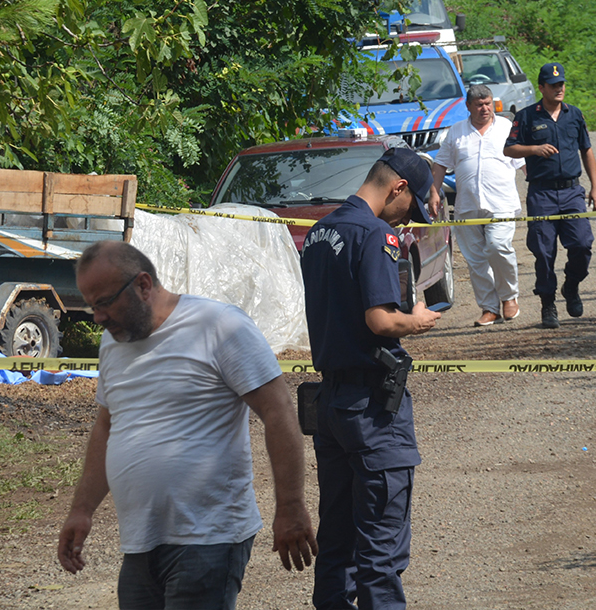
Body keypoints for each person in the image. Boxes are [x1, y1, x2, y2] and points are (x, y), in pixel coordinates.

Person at [58, 241, 317, 608]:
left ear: (143, 285)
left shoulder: (219, 326)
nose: (98, 316)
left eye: (104, 302)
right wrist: (81, 510)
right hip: (141, 540)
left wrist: (290, 507)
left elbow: (278, 411)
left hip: (208, 536)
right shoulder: (112, 343)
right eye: (91, 305)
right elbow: (107, 425)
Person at [300, 146, 442, 609]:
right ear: (398, 187)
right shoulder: (375, 235)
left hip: (331, 406)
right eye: (410, 206)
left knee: (337, 543)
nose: (407, 220)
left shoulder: (321, 232)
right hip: (373, 409)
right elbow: (381, 321)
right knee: (380, 550)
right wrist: (416, 319)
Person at [505, 62, 596, 329]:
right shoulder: (526, 117)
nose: (559, 89)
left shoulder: (575, 115)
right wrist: (534, 150)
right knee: (544, 252)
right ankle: (547, 304)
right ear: (542, 88)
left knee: (582, 244)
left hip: (572, 191)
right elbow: (509, 149)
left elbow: (587, 150)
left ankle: (571, 286)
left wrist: (595, 186)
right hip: (542, 193)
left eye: (561, 84)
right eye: (553, 85)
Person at [429, 85, 524, 327]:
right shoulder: (456, 132)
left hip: (501, 203)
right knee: (476, 260)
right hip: (467, 205)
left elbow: (524, 162)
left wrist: (539, 187)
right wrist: (434, 193)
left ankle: (509, 297)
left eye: (488, 103)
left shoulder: (506, 128)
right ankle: (489, 308)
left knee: (497, 246)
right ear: (469, 106)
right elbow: (440, 164)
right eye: (480, 105)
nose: (485, 108)